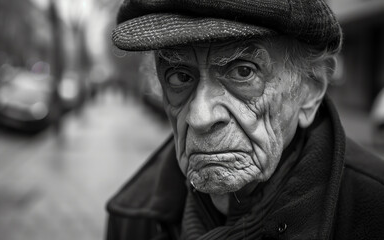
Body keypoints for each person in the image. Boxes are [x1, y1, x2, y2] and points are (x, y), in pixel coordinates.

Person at [106, 0, 384, 239]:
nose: (200, 117)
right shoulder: (132, 218)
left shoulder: (373, 211)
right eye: (180, 77)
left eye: (243, 72)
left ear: (310, 89)